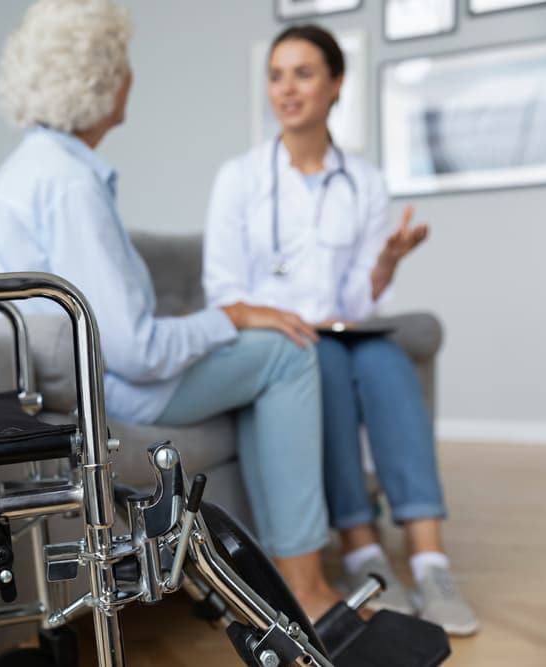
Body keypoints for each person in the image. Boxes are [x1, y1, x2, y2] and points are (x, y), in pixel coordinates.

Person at [0, 0, 341, 619]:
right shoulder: (69, 185)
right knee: (286, 352)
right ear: (101, 80)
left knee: (260, 360)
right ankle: (303, 584)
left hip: (51, 384)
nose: (132, 78)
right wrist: (234, 317)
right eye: (125, 64)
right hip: (104, 393)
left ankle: (254, 572)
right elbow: (137, 352)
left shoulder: (33, 169)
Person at [203, 24, 478, 635]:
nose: (286, 89)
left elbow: (356, 298)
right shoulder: (240, 179)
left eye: (303, 74)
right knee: (318, 359)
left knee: (386, 360)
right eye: (276, 76)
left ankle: (430, 559)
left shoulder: (366, 182)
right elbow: (223, 290)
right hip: (279, 340)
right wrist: (275, 318)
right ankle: (362, 550)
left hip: (341, 331)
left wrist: (387, 262)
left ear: (335, 86)